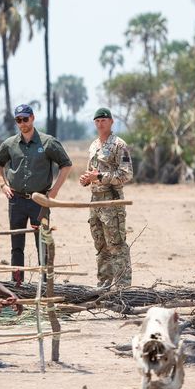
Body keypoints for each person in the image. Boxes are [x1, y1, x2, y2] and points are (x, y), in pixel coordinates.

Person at [0, 104, 72, 279]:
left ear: (33, 118)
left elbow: (66, 165)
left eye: (25, 119)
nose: (22, 123)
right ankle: (17, 284)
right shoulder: (9, 144)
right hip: (16, 200)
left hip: (40, 201)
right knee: (17, 244)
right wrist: (3, 185)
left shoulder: (48, 142)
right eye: (18, 120)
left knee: (42, 242)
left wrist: (54, 192)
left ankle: (44, 285)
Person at [79, 107, 133, 287]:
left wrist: (101, 177)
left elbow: (126, 174)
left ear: (111, 122)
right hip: (95, 200)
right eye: (97, 121)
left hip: (112, 199)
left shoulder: (119, 144)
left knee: (116, 244)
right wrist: (86, 179)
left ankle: (123, 288)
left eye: (104, 120)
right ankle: (104, 285)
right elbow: (92, 171)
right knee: (100, 245)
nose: (100, 124)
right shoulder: (94, 145)